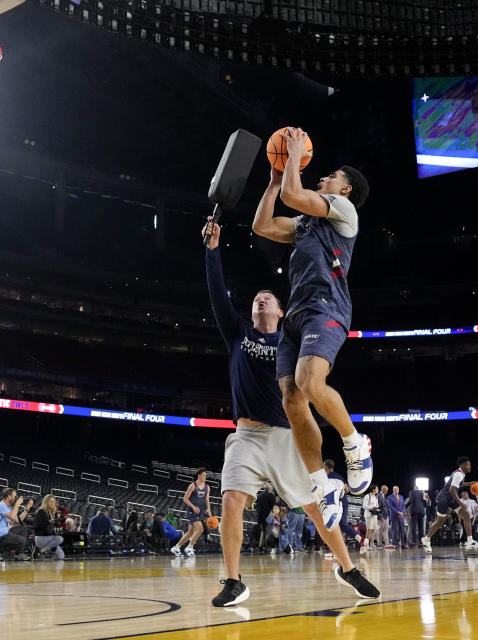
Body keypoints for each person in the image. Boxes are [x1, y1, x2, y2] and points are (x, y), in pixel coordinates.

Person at [202, 218, 379, 606]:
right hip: (247, 436)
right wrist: (212, 251)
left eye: (268, 298)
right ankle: (233, 582)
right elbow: (217, 295)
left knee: (318, 508)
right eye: (255, 300)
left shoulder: (291, 337)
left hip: (286, 437)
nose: (260, 300)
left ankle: (348, 568)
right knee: (232, 499)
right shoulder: (238, 334)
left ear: (282, 311)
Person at [250, 141, 374, 507]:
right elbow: (263, 225)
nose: (324, 177)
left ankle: (355, 443)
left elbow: (293, 193)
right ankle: (322, 484)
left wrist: (290, 161)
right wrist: (274, 180)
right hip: (296, 314)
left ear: (346, 189)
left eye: (332, 176)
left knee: (309, 381)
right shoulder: (306, 223)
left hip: (327, 307)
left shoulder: (344, 210)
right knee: (291, 398)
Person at [422, 456, 478, 551]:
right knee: (439, 522)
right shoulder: (458, 474)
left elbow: (458, 484)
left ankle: (470, 541)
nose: (470, 467)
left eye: (469, 465)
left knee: (466, 515)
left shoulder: (460, 474)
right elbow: (452, 490)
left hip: (450, 499)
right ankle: (426, 539)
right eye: (468, 465)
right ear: (462, 465)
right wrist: (461, 503)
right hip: (444, 499)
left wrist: (469, 483)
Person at [171, 468, 212, 557]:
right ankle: (189, 547)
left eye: (206, 475)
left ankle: (176, 547)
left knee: (190, 532)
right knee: (201, 529)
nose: (205, 476)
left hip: (200, 512)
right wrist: (193, 507)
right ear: (199, 475)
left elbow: (207, 499)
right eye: (204, 475)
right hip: (192, 512)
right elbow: (185, 498)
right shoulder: (192, 486)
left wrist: (208, 509)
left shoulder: (207, 487)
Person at [0, 488, 30, 560]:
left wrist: (27, 508)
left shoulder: (8, 507)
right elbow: (12, 516)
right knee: (22, 540)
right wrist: (17, 504)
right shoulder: (0, 505)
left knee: (23, 528)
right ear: (9, 497)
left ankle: (19, 554)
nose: (16, 498)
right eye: (15, 496)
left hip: (6, 531)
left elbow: (19, 520)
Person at [34, 494, 65, 559]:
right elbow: (38, 526)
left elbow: (56, 525)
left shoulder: (54, 513)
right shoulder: (41, 512)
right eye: (50, 501)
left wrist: (59, 523)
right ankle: (42, 550)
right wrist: (48, 522)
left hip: (51, 540)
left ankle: (45, 552)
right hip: (41, 538)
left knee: (61, 556)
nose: (52, 503)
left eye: (53, 501)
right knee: (60, 539)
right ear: (46, 502)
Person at [362, 485, 382, 549]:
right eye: (377, 488)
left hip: (374, 515)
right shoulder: (367, 496)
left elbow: (376, 505)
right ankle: (365, 545)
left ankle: (372, 544)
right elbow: (364, 506)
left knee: (373, 530)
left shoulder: (376, 497)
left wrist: (377, 507)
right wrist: (372, 507)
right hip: (368, 515)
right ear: (373, 489)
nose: (378, 490)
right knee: (369, 530)